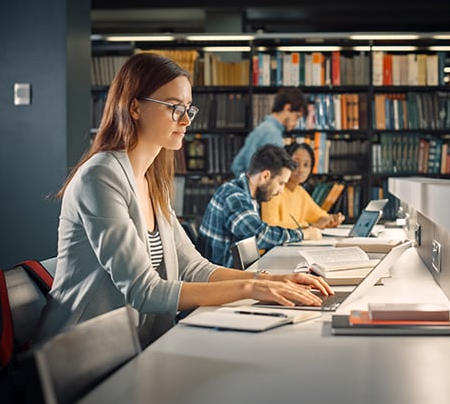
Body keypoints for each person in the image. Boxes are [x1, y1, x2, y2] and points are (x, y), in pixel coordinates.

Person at [36, 53, 332, 348]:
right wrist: (251, 287)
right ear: (135, 107)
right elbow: (144, 290)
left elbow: (194, 268)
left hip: (132, 345)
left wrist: (270, 280)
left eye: (189, 109)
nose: (186, 120)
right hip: (78, 356)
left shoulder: (152, 179)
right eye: (175, 108)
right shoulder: (100, 177)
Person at [199, 144, 323, 267]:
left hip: (236, 274)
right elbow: (259, 235)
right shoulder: (234, 196)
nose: (281, 191)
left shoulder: (248, 196)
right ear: (265, 176)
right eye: (281, 183)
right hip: (221, 280)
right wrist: (303, 234)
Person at [261, 142, 345, 229]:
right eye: (295, 164)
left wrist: (331, 219)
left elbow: (320, 216)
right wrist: (308, 226)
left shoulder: (300, 192)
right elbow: (270, 226)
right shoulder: (273, 190)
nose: (301, 170)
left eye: (306, 165)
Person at [230, 88, 307, 176]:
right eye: (297, 117)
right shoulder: (272, 134)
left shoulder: (262, 128)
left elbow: (237, 165)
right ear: (287, 108)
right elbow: (273, 175)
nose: (296, 124)